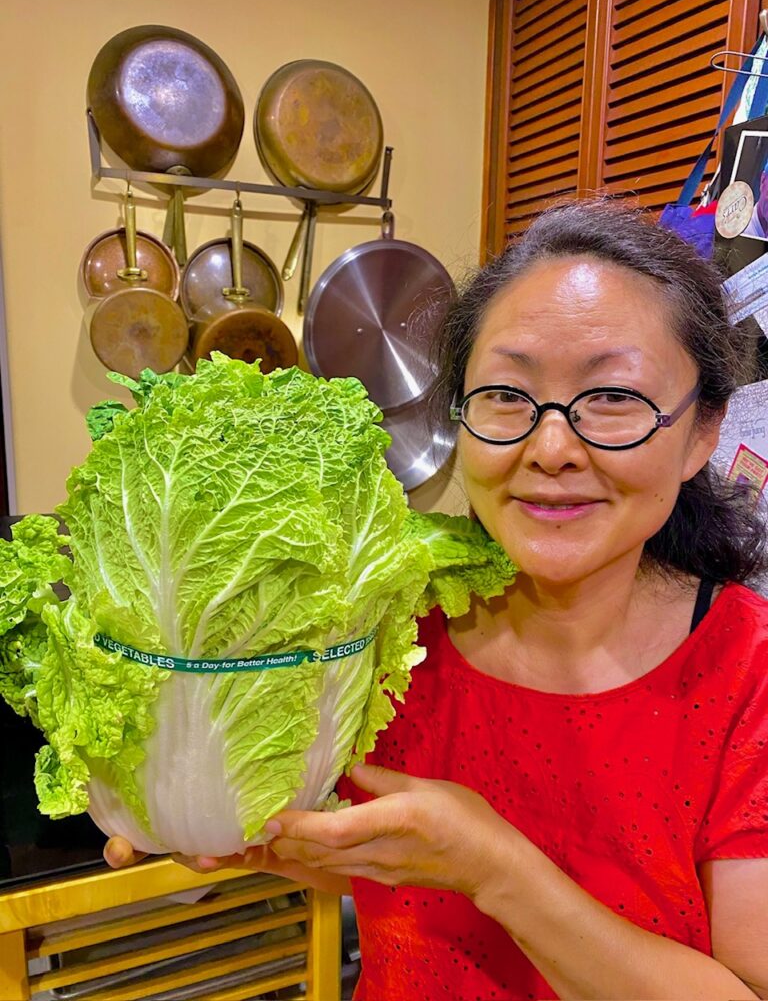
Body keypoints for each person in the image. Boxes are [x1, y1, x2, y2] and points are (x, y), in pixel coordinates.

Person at [105, 200, 768, 1000]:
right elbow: (375, 882)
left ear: (702, 431)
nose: (550, 448)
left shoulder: (748, 672)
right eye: (506, 397)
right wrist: (234, 834)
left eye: (613, 398)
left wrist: (494, 869)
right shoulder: (380, 625)